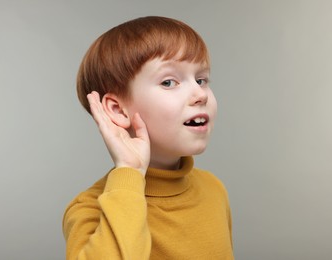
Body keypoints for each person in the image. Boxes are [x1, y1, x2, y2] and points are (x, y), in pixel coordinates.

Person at [63, 16, 234, 259]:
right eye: (169, 82)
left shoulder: (214, 189)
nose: (200, 94)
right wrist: (129, 172)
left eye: (201, 80)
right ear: (118, 110)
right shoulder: (89, 209)